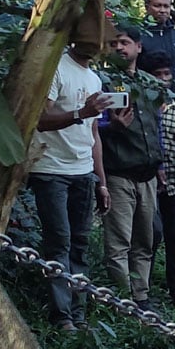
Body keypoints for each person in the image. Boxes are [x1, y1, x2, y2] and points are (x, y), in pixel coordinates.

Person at [29, 42, 113, 331]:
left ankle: (78, 313)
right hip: (51, 169)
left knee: (79, 243)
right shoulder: (57, 68)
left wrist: (101, 181)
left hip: (83, 171)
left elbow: (94, 134)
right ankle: (61, 316)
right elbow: (39, 120)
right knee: (59, 242)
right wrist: (80, 112)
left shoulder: (94, 78)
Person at [99, 24, 164, 310]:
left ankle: (142, 296)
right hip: (118, 173)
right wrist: (110, 126)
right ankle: (122, 301)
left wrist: (160, 164)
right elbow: (90, 127)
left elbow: (156, 127)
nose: (119, 49)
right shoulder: (101, 81)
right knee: (119, 242)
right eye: (113, 44)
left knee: (145, 240)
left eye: (124, 43)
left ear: (138, 47)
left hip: (147, 174)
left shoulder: (150, 84)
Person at [139, 50, 175, 306]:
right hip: (148, 183)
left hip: (174, 186)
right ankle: (142, 289)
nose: (162, 79)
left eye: (166, 74)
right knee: (150, 236)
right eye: (157, 75)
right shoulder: (142, 109)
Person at [140, 0, 175, 98]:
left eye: (166, 6)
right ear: (147, 7)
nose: (162, 10)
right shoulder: (139, 35)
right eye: (157, 5)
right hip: (149, 98)